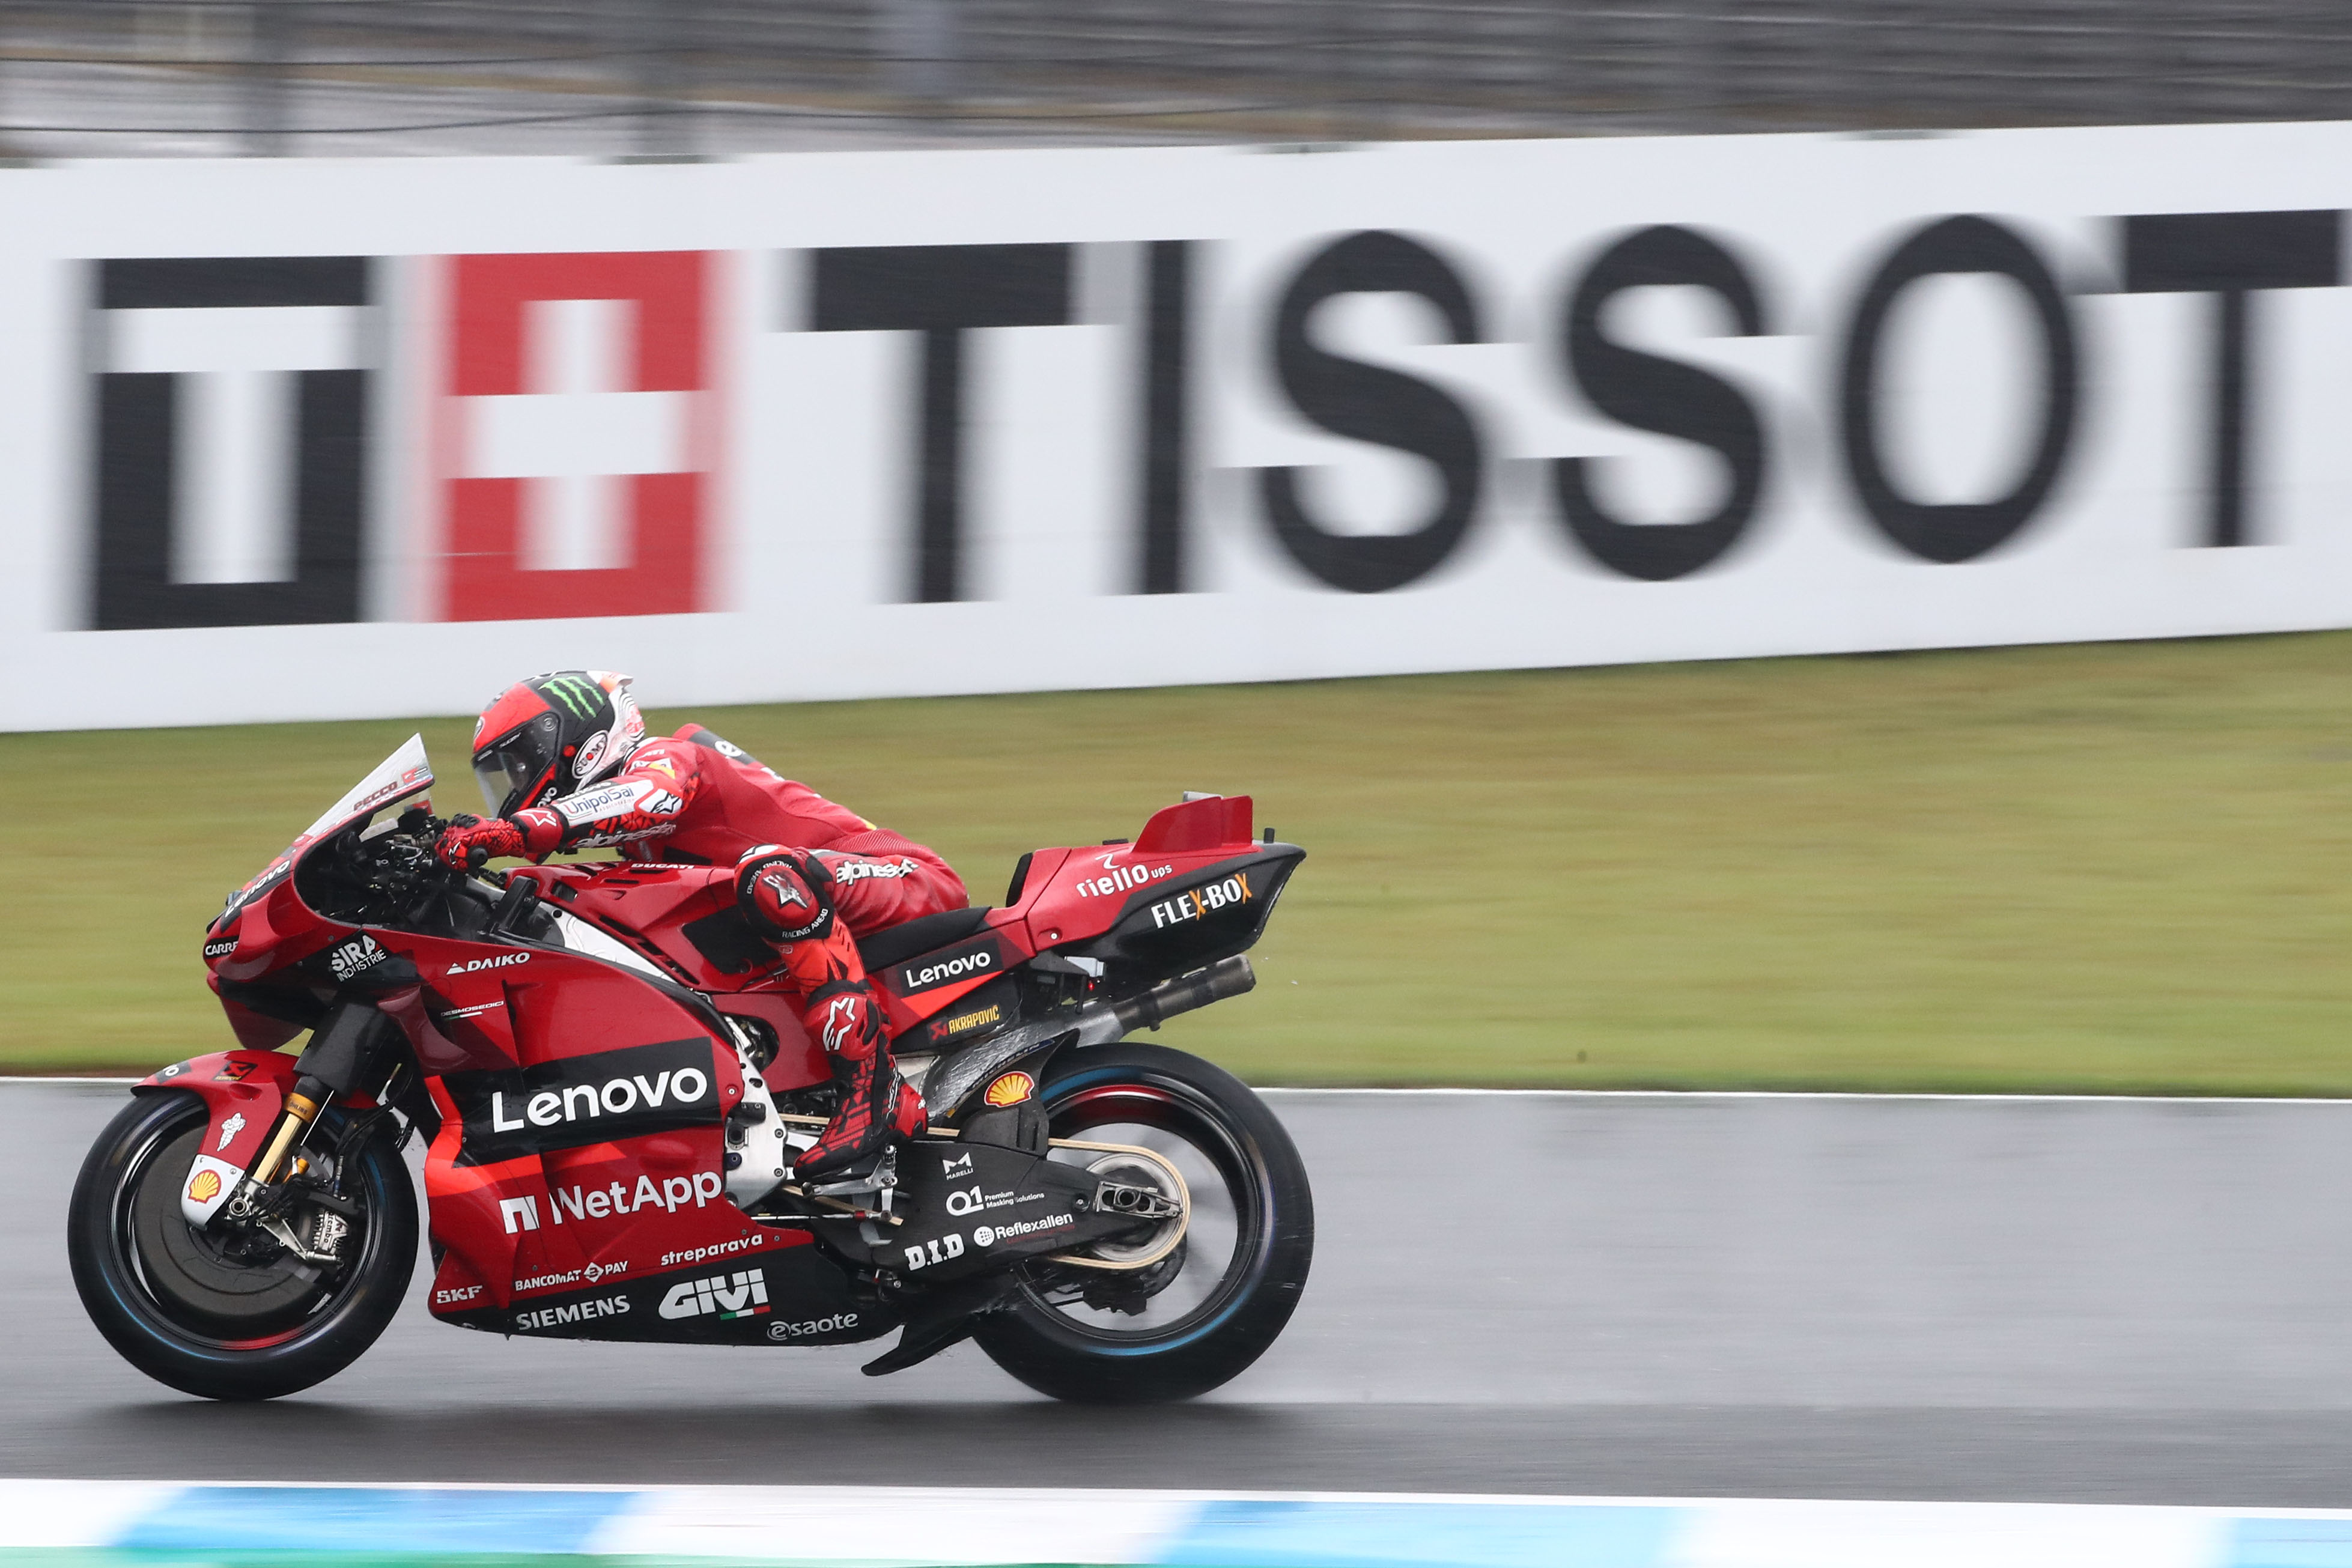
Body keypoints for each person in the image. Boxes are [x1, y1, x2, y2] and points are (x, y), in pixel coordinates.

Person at [434, 670, 965, 1183]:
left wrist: (515, 831)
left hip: (904, 875)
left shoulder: (662, 756)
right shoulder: (638, 837)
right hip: (830, 895)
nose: (516, 785)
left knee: (769, 874)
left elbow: (648, 799)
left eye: (519, 764)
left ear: (577, 743)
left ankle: (874, 1091)